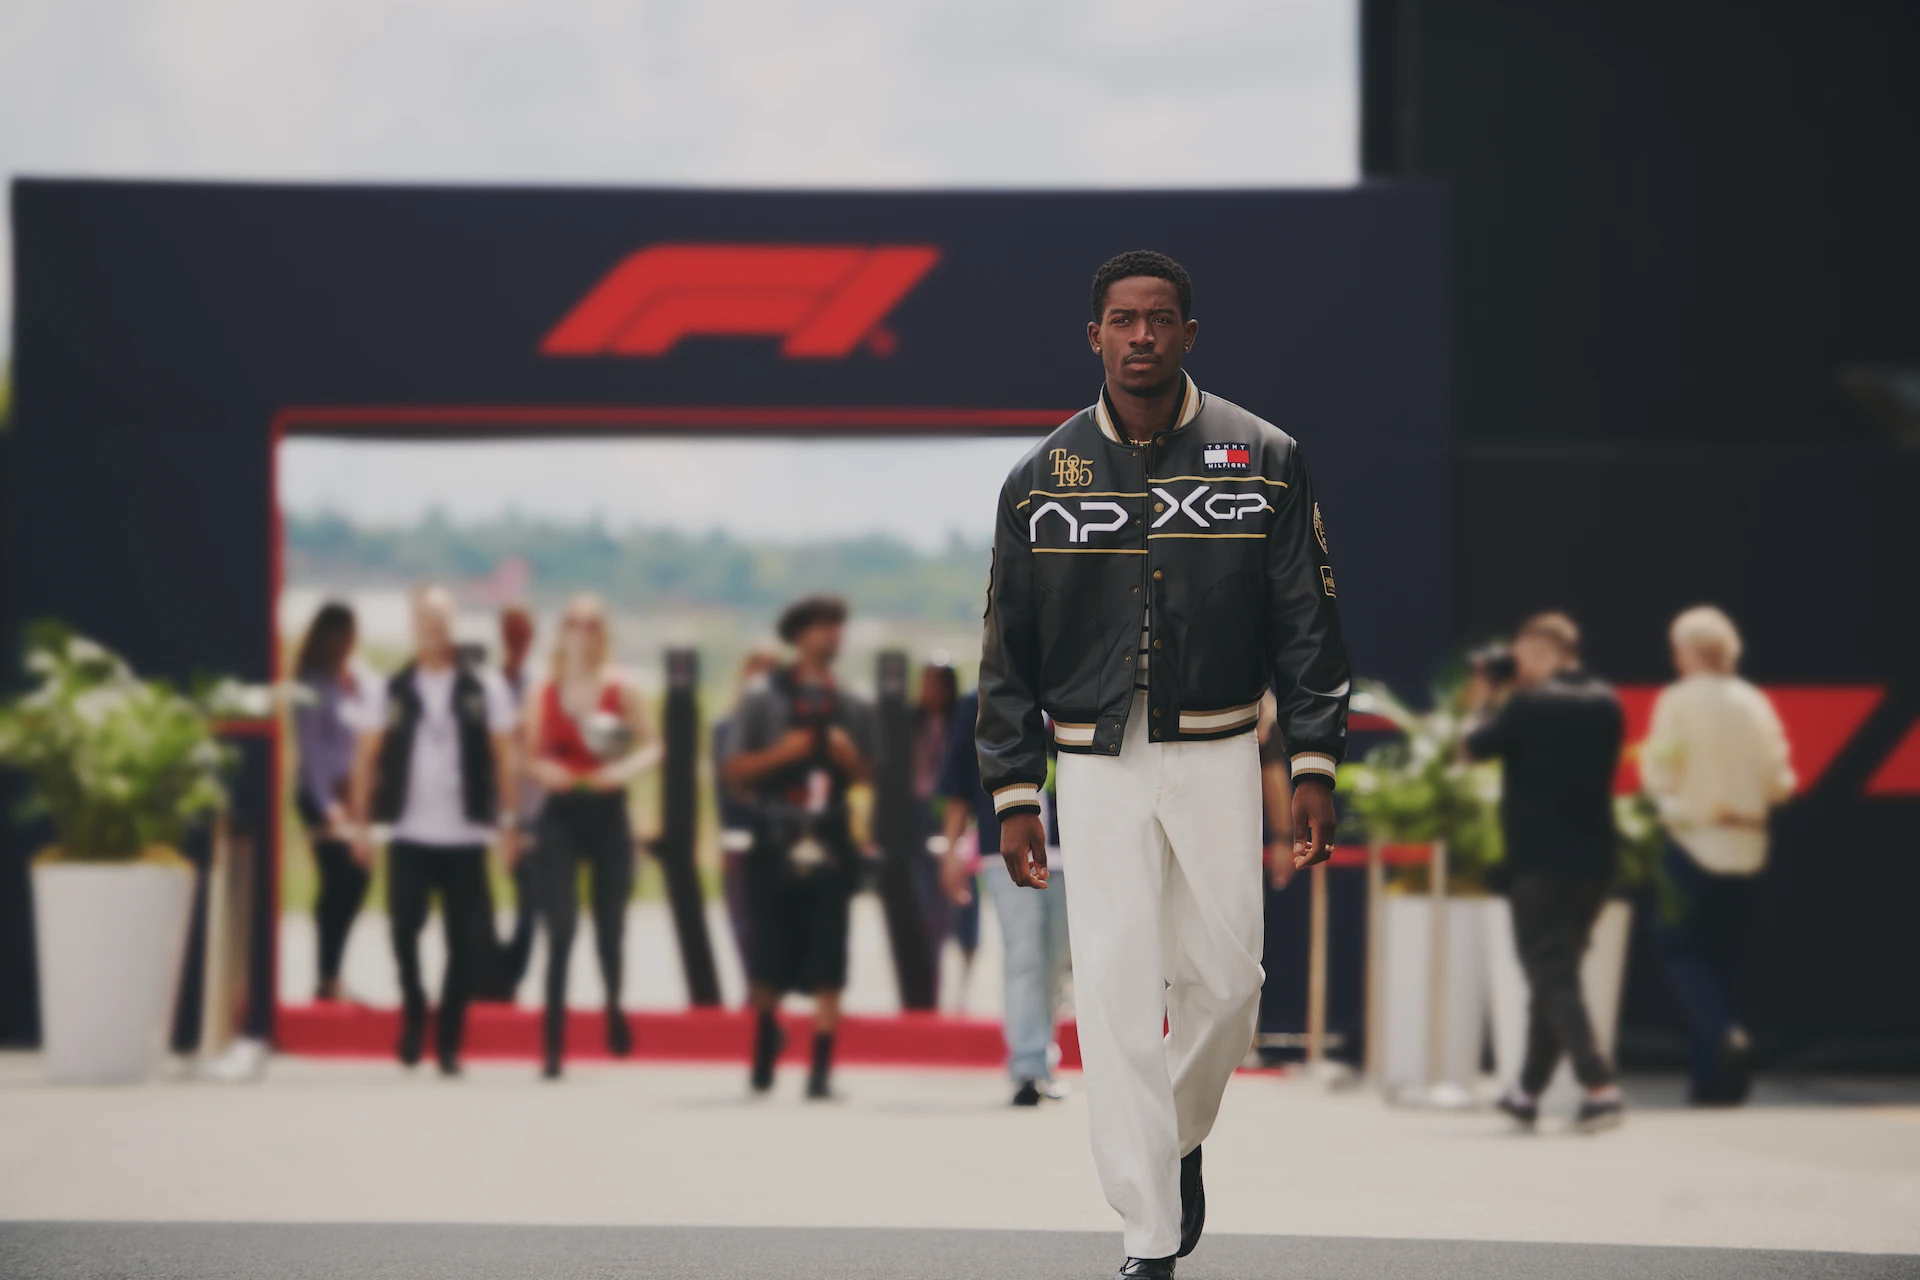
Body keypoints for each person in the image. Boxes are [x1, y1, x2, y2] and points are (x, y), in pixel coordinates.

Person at [977, 250, 1349, 1279]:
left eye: (1159, 317)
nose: (1141, 335)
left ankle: (1176, 1136)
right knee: (1112, 990)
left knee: (1229, 983)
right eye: (1123, 318)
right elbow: (1005, 650)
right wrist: (1014, 790)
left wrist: (1315, 761)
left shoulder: (1263, 456)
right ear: (1094, 335)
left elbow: (1309, 624)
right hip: (1092, 764)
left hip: (1222, 747)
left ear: (1189, 332)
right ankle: (1148, 1236)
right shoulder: (1041, 478)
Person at [1463, 611, 1627, 1132]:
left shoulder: (1529, 705)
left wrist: (1487, 696)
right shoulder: (1606, 701)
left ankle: (1599, 1086)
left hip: (1539, 864)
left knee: (1550, 975)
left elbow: (1472, 749)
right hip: (1595, 863)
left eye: (1523, 654)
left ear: (1545, 651)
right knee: (1556, 977)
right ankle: (1527, 1093)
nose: (1518, 663)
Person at [347, 586, 519, 1076]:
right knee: (403, 926)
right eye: (425, 618)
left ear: (455, 622)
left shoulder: (482, 688)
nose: (434, 627)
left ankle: (449, 1041)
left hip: (466, 835)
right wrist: (361, 826)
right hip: (409, 830)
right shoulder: (392, 689)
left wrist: (508, 825)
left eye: (442, 618)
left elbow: (505, 757)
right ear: (412, 624)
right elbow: (366, 759)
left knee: (463, 941)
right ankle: (414, 1007)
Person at [721, 595, 877, 1100]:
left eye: (838, 625)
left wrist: (848, 758)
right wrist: (782, 754)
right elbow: (732, 770)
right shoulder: (763, 695)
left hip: (830, 833)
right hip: (775, 832)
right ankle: (764, 1049)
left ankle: (820, 1068)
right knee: (767, 950)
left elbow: (873, 773)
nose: (833, 635)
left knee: (831, 952)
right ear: (799, 634)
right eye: (823, 625)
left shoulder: (852, 702)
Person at [1641, 605, 1794, 1105]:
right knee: (1725, 962)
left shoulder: (1677, 700)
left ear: (1687, 652)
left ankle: (1722, 1033)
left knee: (1680, 950)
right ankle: (1715, 1083)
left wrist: (1673, 811)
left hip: (1694, 843)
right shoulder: (1755, 701)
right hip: (1750, 845)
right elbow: (1780, 780)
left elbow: (1658, 775)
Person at [522, 593, 662, 1078]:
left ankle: (613, 1005)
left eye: (590, 624)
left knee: (609, 927)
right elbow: (529, 753)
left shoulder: (621, 688)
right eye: (572, 623)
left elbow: (653, 745)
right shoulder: (544, 690)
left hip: (607, 812)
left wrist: (620, 771)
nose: (580, 632)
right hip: (562, 813)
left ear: (602, 633)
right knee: (560, 927)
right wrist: (546, 771)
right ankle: (552, 1043)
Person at [940, 687, 1071, 1105]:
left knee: (1056, 959)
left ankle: (1043, 1055)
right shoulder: (981, 699)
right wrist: (950, 850)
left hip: (1070, 851)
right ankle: (1027, 1066)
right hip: (1005, 851)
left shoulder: (1074, 687)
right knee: (1024, 953)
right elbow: (961, 780)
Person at [291, 601, 375, 1002]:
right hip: (320, 793)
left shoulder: (357, 681)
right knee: (339, 877)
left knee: (358, 878)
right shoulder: (311, 685)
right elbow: (309, 753)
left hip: (352, 793)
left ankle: (333, 972)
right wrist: (327, 806)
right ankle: (327, 975)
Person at [713, 646, 783, 975]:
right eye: (757, 668)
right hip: (740, 831)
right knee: (741, 917)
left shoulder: (790, 728)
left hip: (779, 832)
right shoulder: (724, 727)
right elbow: (723, 788)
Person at [497, 604, 544, 993]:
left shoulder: (541, 685)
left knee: (531, 902)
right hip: (493, 811)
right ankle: (489, 972)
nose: (516, 640)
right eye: (511, 632)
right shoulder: (488, 683)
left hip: (532, 810)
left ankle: (510, 976)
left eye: (522, 632)